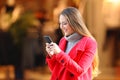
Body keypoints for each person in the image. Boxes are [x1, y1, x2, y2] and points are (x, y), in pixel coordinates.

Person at [45, 7, 100, 80]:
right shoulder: (63, 40)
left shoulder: (90, 43)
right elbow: (56, 71)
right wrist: (52, 55)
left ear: (75, 23)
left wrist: (59, 53)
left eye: (64, 23)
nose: (61, 27)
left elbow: (80, 71)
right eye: (60, 23)